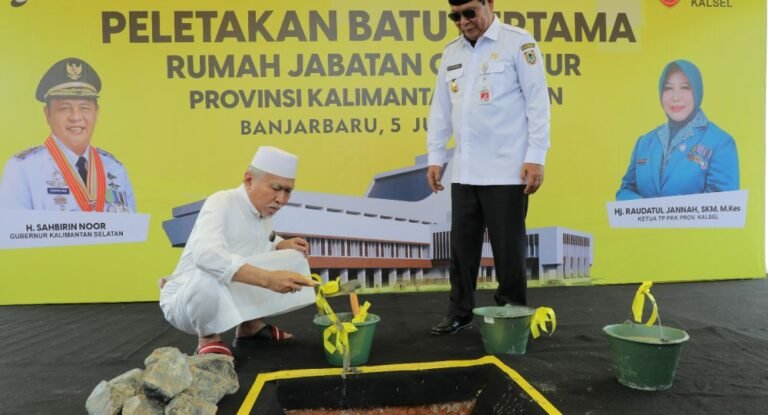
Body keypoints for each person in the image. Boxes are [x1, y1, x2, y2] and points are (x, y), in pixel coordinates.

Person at [426, 0, 551, 335]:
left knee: (508, 249)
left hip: (508, 169)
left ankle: (511, 311)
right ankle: (460, 310)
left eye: (470, 12)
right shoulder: (451, 53)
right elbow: (440, 110)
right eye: (456, 16)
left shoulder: (517, 42)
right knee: (461, 248)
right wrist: (435, 157)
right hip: (465, 170)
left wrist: (536, 156)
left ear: (489, 4)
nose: (464, 21)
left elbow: (538, 101)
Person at [159, 146, 319, 357]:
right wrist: (269, 279)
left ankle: (249, 326)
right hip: (187, 299)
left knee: (292, 256)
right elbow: (206, 255)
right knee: (211, 268)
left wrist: (279, 244)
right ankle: (207, 336)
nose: (282, 199)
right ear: (249, 179)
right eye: (276, 188)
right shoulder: (221, 201)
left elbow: (256, 237)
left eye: (288, 191)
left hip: (221, 291)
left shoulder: (263, 211)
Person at [0, 57, 135, 212]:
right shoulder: (23, 169)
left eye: (84, 107)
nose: (75, 117)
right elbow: (13, 231)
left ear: (96, 112)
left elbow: (129, 232)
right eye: (64, 108)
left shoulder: (115, 169)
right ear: (47, 114)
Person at [616, 60, 739, 200]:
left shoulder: (720, 142)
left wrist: (664, 216)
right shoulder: (644, 142)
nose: (675, 97)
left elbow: (723, 205)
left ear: (697, 91)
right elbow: (626, 190)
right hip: (645, 222)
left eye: (685, 87)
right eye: (668, 88)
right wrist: (647, 211)